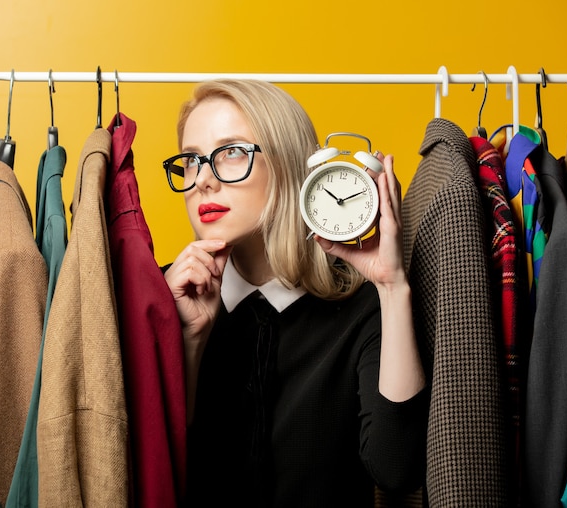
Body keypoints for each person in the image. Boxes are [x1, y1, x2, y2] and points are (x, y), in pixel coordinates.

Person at [162, 79, 429, 508]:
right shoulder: (159, 295)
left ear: (288, 166)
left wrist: (392, 287)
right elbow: (147, 472)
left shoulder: (361, 304)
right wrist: (190, 343)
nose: (203, 181)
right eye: (191, 160)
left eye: (231, 152)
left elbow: (396, 468)